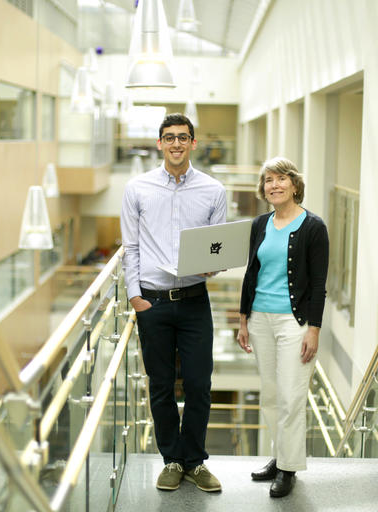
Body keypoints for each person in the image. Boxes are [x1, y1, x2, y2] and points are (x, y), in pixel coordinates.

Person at [120, 113, 226, 493]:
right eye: (170, 138)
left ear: (193, 143)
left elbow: (219, 245)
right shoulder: (137, 188)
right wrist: (135, 296)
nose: (177, 144)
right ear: (159, 143)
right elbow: (130, 247)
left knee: (198, 384)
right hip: (153, 302)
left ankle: (195, 461)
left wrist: (215, 264)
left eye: (183, 137)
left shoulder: (213, 190)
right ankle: (173, 460)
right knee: (161, 385)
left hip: (196, 300)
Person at [237, 156, 329, 498]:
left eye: (280, 179)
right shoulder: (260, 223)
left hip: (295, 323)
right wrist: (244, 318)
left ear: (294, 184)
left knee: (292, 396)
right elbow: (251, 273)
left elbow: (319, 283)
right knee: (272, 394)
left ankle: (289, 470)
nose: (273, 186)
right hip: (260, 319)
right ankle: (280, 457)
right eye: (267, 181)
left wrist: (314, 329)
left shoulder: (313, 227)